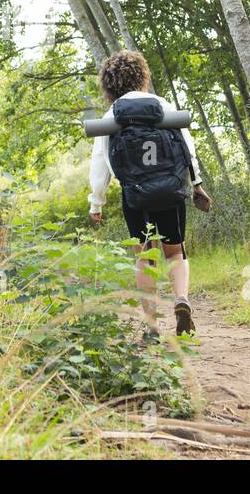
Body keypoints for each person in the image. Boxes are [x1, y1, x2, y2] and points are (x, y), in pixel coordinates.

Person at [88, 50, 212, 337]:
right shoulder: (162, 105)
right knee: (175, 252)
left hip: (135, 195)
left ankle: (151, 325)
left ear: (110, 83)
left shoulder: (112, 114)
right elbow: (185, 145)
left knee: (145, 257)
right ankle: (181, 298)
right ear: (142, 76)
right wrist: (196, 183)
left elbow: (100, 160)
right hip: (170, 190)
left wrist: (97, 201)